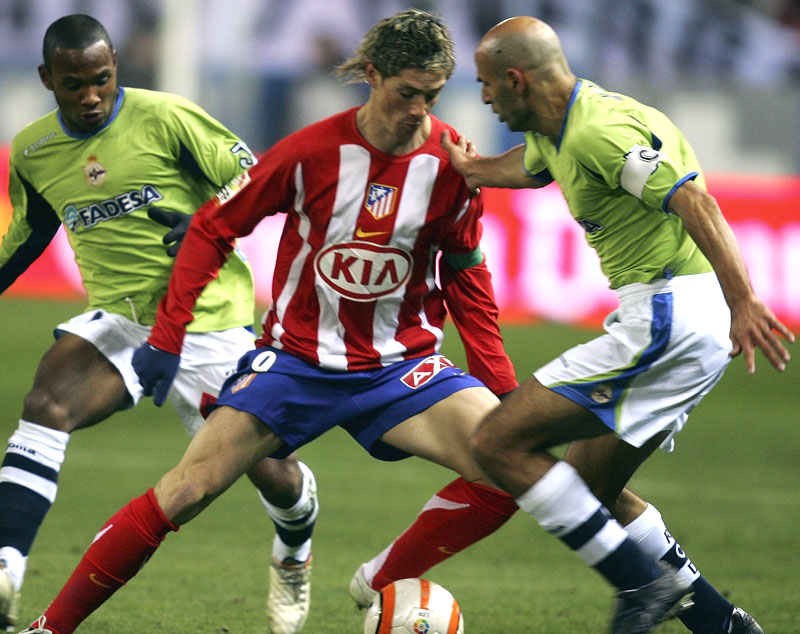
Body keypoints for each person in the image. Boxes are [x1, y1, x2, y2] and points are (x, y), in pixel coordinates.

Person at [14, 9, 527, 634]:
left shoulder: (452, 164)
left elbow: (467, 273)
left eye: (433, 96)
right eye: (407, 93)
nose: (418, 111)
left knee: (513, 464)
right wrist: (168, 337)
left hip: (400, 365)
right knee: (184, 490)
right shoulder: (311, 152)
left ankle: (376, 576)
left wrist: (502, 388)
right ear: (372, 76)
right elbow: (213, 226)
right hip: (295, 361)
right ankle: (47, 624)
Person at [436, 15, 794, 634]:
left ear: (516, 80)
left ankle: (643, 585)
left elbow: (694, 200)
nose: (484, 97)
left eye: (488, 83)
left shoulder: (599, 132)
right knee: (583, 490)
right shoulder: (562, 125)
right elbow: (536, 166)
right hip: (685, 321)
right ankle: (722, 624)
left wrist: (745, 300)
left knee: (497, 442)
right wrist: (475, 170)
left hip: (670, 315)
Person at [0, 15, 320, 634]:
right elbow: (28, 236)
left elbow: (258, 178)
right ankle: (6, 568)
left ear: (116, 66)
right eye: (73, 85)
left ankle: (294, 546)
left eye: (101, 79)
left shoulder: (167, 117)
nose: (90, 96)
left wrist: (207, 220)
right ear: (46, 79)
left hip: (209, 320)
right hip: (121, 321)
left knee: (274, 474)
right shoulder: (35, 153)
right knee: (45, 404)